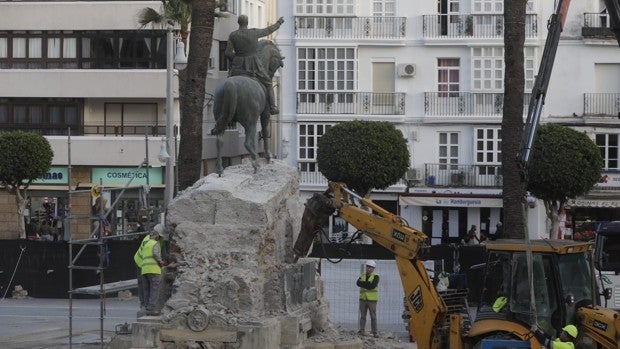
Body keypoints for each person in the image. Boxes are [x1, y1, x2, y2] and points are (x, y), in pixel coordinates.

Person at [225, 14, 284, 115]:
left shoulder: (233, 35)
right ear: (247, 23)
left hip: (237, 66)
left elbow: (228, 53)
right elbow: (268, 30)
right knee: (268, 84)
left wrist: (237, 58)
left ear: (238, 22)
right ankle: (273, 107)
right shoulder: (254, 32)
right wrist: (278, 23)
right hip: (254, 65)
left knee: (228, 82)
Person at [140, 224, 166, 316]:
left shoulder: (146, 243)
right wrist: (161, 262)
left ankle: (146, 307)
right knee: (155, 290)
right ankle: (151, 309)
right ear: (157, 235)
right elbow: (155, 254)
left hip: (144, 270)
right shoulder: (155, 243)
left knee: (146, 289)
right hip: (154, 270)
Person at [357, 260, 380, 337]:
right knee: (363, 316)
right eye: (368, 267)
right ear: (366, 267)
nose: (369, 268)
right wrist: (367, 284)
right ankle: (362, 331)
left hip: (372, 300)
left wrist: (363, 284)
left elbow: (372, 286)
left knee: (373, 316)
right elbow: (357, 283)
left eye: (371, 267)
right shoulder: (362, 275)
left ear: (373, 268)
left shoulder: (376, 276)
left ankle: (375, 332)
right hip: (363, 299)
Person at [133, 227, 152, 312]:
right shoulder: (151, 241)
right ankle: (143, 304)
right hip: (141, 262)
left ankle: (145, 304)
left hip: (143, 262)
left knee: (144, 284)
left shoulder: (149, 237)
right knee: (143, 283)